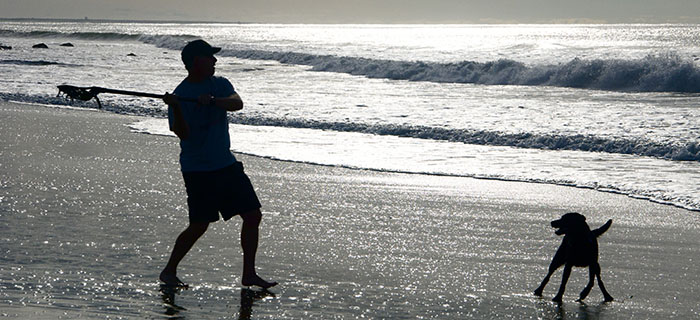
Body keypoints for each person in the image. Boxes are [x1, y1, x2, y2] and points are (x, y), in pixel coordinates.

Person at [160, 39, 277, 289]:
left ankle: (249, 274)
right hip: (198, 169)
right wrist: (177, 108)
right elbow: (182, 133)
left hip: (226, 164)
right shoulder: (180, 95)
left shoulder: (220, 84)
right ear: (195, 62)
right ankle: (169, 271)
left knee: (253, 215)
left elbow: (237, 103)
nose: (215, 61)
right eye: (209, 57)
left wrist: (212, 101)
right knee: (199, 224)